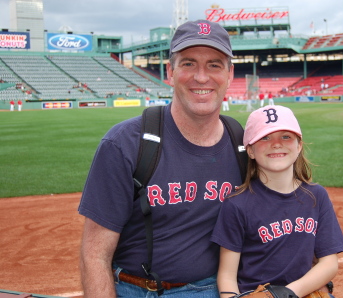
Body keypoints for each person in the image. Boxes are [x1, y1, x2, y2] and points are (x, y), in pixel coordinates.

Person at [78, 19, 242, 298]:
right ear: (170, 72)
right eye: (188, 63)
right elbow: (94, 254)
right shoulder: (124, 143)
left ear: (230, 74)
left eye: (214, 64)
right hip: (136, 290)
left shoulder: (243, 143)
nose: (201, 77)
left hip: (213, 290)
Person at [211, 105, 343, 298]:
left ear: (299, 146)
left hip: (303, 293)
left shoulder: (316, 196)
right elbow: (227, 275)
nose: (276, 144)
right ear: (250, 150)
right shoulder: (237, 204)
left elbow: (329, 263)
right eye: (265, 138)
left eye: (286, 136)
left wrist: (289, 293)